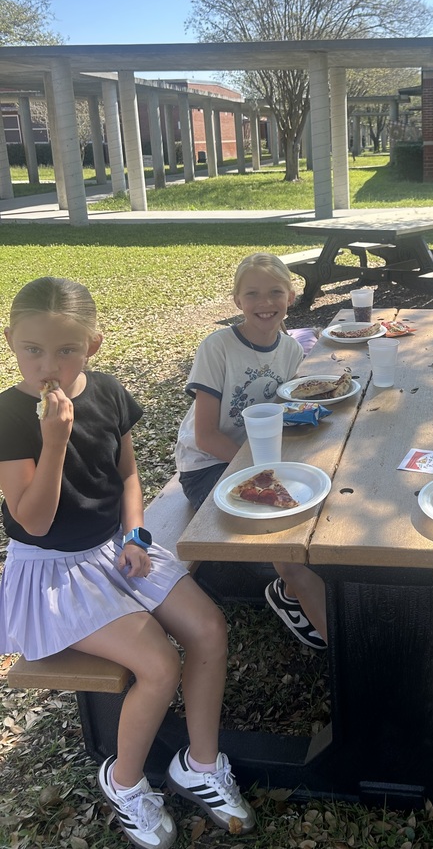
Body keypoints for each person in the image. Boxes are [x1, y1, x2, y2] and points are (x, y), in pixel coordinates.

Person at [0, 277, 255, 849]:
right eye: (33, 349)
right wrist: (54, 440)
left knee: (210, 629)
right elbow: (33, 520)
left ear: (92, 345)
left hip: (116, 547)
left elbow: (127, 475)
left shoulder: (109, 391)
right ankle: (124, 781)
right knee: (159, 665)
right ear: (11, 340)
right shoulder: (10, 415)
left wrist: (137, 535)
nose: (48, 366)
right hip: (54, 570)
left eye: (67, 350)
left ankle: (201, 764)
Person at [174, 252, 328, 650]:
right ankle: (295, 592)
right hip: (208, 465)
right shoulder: (218, 347)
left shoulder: (291, 351)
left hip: (260, 459)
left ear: (290, 297)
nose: (265, 302)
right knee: (280, 527)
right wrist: (266, 472)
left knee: (322, 494)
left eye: (275, 292)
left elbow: (287, 412)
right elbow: (206, 436)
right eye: (253, 293)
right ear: (237, 301)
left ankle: (302, 585)